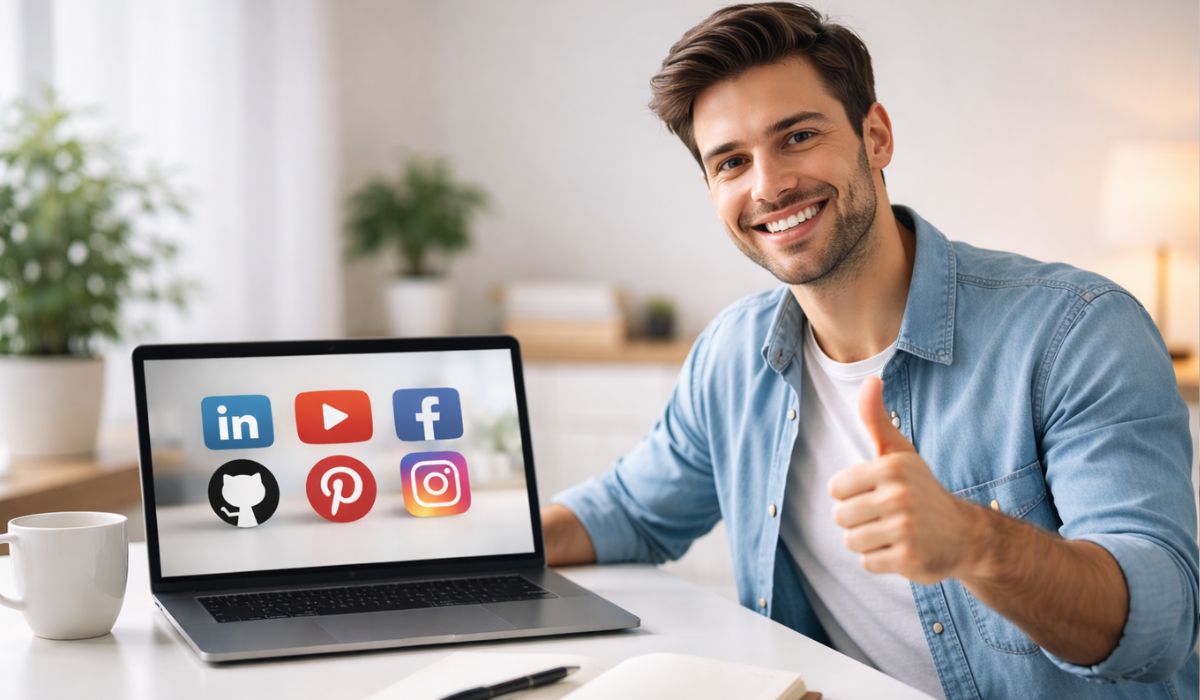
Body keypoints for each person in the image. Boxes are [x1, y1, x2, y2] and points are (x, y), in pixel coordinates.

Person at [539, 3, 1199, 698]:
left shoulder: (1077, 331)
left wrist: (975, 541)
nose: (767, 186)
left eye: (796, 136)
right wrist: (455, 555)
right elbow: (628, 510)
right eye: (731, 162)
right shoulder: (732, 357)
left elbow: (1158, 627)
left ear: (875, 135)